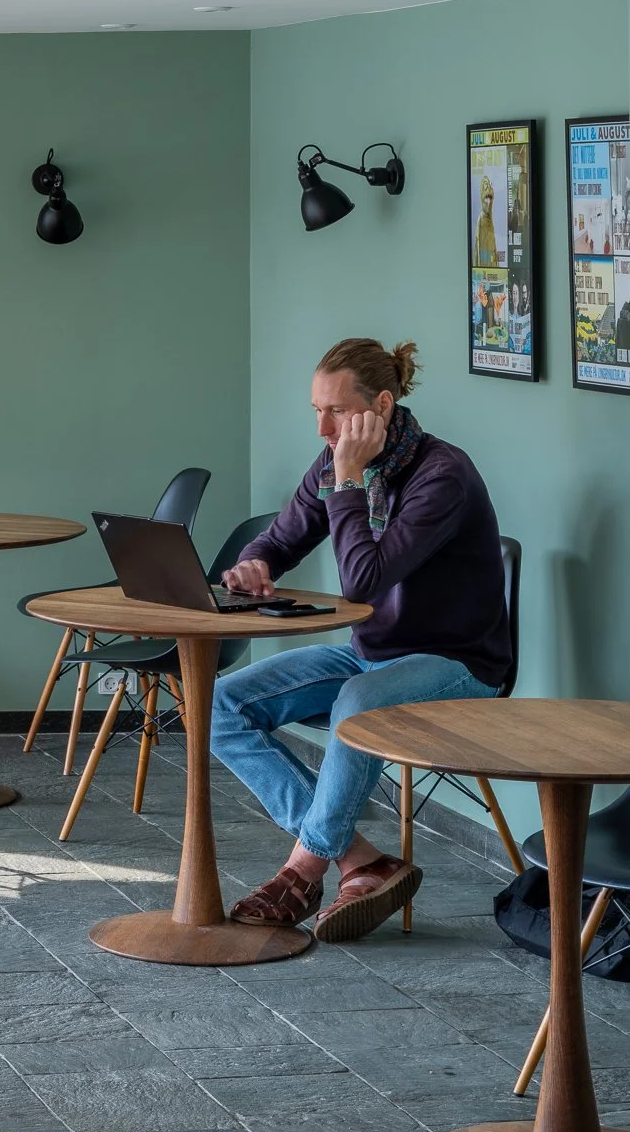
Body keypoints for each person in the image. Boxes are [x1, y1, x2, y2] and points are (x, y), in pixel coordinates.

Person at [211, 336, 509, 942]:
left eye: (337, 411)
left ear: (382, 405)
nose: (324, 429)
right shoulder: (335, 461)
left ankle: (302, 871)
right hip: (369, 655)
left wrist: (346, 482)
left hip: (458, 661)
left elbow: (363, 581)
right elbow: (284, 536)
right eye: (316, 411)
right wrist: (255, 561)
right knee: (221, 705)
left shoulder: (442, 475)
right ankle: (363, 861)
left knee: (357, 704)